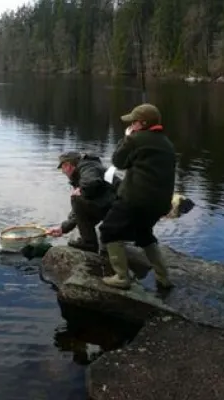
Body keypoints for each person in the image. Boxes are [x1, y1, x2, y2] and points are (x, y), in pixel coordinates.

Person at [98, 103, 176, 290]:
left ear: (142, 123)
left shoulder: (136, 139)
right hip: (159, 203)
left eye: (133, 122)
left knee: (108, 230)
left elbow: (118, 161)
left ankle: (122, 277)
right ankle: (163, 278)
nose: (131, 125)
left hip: (135, 199)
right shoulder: (166, 143)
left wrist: (127, 138)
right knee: (144, 234)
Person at [46, 151, 117, 253]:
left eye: (62, 168)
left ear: (68, 165)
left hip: (121, 208)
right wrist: (63, 228)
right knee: (78, 202)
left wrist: (80, 190)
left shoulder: (87, 167)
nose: (63, 172)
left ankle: (89, 243)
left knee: (75, 198)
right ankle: (92, 243)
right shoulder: (84, 171)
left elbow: (91, 183)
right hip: (113, 206)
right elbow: (79, 211)